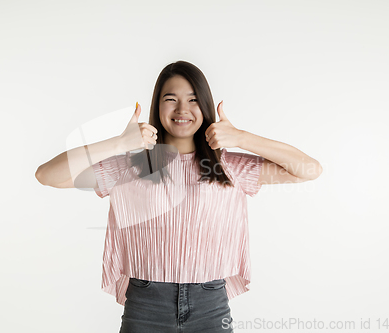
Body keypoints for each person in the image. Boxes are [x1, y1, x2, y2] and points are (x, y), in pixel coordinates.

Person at [35, 60, 323, 332]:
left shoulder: (228, 166)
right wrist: (119, 143)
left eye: (193, 99)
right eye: (171, 98)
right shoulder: (132, 165)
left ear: (205, 106)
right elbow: (47, 175)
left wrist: (242, 138)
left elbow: (309, 169)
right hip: (146, 304)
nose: (182, 108)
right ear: (157, 107)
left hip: (210, 304)